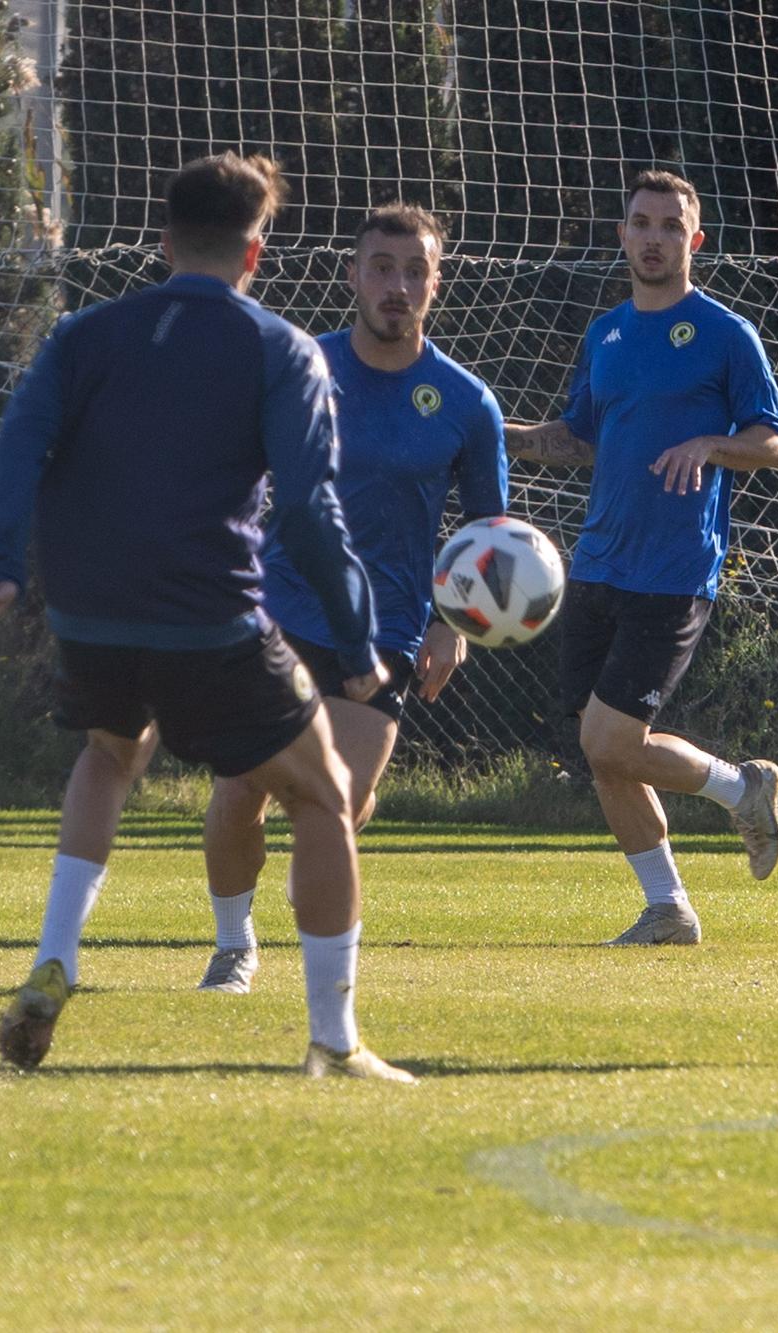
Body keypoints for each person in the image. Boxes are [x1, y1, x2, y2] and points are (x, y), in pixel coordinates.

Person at [0, 152, 413, 1082]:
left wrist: (2, 560)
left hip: (90, 617)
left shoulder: (84, 335)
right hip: (212, 621)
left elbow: (19, 443)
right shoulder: (280, 347)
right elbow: (308, 512)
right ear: (256, 253)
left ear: (163, 243)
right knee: (325, 795)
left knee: (108, 753)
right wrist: (357, 643)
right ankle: (335, 1038)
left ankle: (58, 957)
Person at [195, 203, 509, 994]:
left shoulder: (468, 403)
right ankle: (235, 947)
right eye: (381, 267)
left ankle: (316, 870)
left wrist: (454, 622)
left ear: (437, 283)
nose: (396, 286)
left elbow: (488, 534)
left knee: (335, 801)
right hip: (276, 609)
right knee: (239, 791)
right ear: (353, 275)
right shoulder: (299, 367)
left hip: (387, 631)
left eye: (414, 271)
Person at [506, 169, 778, 947]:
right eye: (642, 223)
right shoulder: (604, 334)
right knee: (605, 754)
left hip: (674, 570)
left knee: (608, 739)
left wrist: (713, 443)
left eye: (672, 225)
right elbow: (576, 437)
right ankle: (668, 908)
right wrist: (493, 435)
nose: (655, 237)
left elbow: (777, 442)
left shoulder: (727, 333)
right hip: (597, 563)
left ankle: (742, 786)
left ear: (694, 240)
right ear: (623, 235)